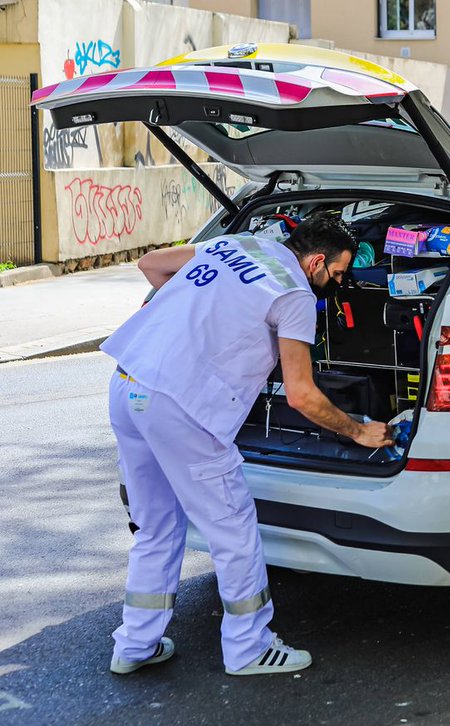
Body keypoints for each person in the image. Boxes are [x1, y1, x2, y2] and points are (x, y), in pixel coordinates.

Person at [104, 212, 393, 676]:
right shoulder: (295, 294)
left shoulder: (240, 244)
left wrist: (192, 320)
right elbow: (301, 395)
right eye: (337, 274)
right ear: (316, 262)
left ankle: (135, 645)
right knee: (233, 528)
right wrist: (359, 431)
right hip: (182, 406)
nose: (337, 285)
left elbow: (151, 263)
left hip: (129, 382)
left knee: (155, 524)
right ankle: (249, 648)